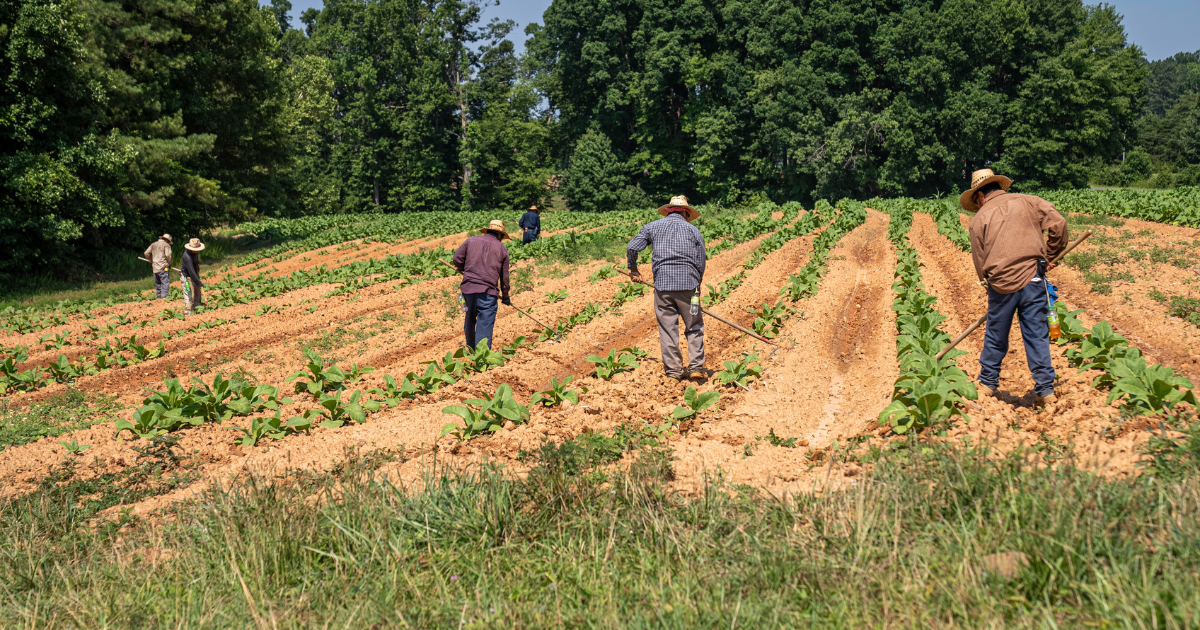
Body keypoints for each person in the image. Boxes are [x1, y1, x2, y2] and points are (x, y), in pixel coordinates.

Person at [962, 168, 1068, 406]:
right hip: (1033, 279)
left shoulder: (979, 219)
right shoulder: (1029, 202)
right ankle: (1045, 390)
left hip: (1001, 284)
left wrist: (988, 284)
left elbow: (980, 262)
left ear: (979, 195)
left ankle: (988, 384)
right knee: (1036, 335)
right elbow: (1059, 224)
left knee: (996, 336)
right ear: (998, 187)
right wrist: (1049, 256)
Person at [627, 195, 707, 382]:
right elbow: (701, 260)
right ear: (686, 213)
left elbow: (632, 247)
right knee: (694, 326)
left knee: (668, 329)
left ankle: (673, 372)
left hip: (663, 288)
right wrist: (697, 284)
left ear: (668, 211)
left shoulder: (652, 227)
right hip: (690, 288)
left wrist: (633, 269)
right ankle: (696, 367)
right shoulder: (693, 230)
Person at [453, 220, 512, 349]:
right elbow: (504, 277)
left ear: (488, 231)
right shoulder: (502, 249)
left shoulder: (471, 241)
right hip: (487, 292)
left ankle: (471, 349)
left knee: (469, 317)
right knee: (484, 323)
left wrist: (465, 269)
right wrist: (506, 296)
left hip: (468, 290)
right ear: (500, 235)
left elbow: (456, 258)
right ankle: (481, 357)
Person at [181, 238, 205, 316]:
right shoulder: (187, 257)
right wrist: (199, 282)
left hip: (194, 273)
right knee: (189, 293)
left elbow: (195, 264)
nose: (196, 251)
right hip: (187, 276)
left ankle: (197, 308)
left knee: (197, 291)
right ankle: (188, 311)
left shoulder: (195, 252)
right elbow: (191, 272)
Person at [144, 234, 173, 299]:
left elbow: (146, 253)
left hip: (155, 267)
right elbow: (168, 255)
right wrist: (168, 263)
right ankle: (164, 298)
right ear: (167, 240)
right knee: (165, 283)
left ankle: (159, 298)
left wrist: (150, 260)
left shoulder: (153, 244)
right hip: (163, 267)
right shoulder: (166, 245)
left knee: (158, 284)